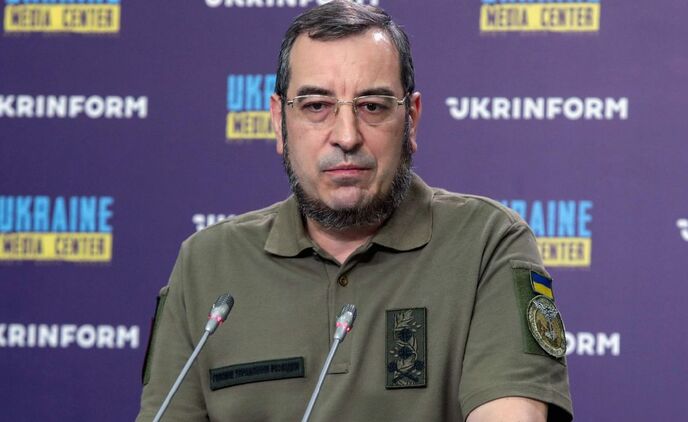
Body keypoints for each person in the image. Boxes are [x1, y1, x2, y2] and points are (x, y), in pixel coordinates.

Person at [136, 1, 572, 421]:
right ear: (278, 122)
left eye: (372, 106)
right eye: (316, 106)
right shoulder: (205, 265)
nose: (346, 136)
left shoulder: (487, 243)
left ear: (412, 119)